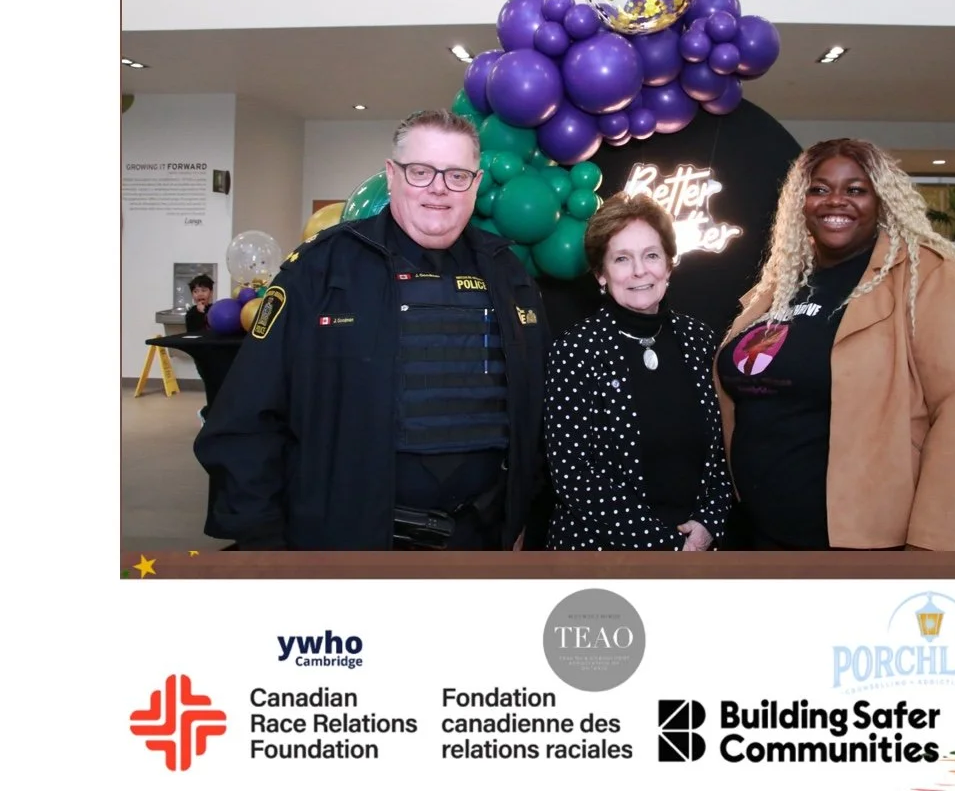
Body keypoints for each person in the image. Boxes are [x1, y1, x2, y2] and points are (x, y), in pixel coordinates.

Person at [194, 109, 551, 551]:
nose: (439, 188)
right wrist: (264, 538)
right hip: (350, 542)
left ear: (475, 184)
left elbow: (534, 413)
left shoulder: (508, 274)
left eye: (457, 175)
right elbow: (246, 416)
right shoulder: (320, 271)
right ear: (392, 174)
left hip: (481, 540)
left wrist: (524, 518)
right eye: (421, 172)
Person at [715, 138, 955, 552]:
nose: (836, 201)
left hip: (870, 541)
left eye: (855, 189)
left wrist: (934, 547)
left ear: (882, 201)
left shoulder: (929, 277)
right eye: (819, 188)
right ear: (800, 202)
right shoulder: (781, 284)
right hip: (761, 531)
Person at [544, 193, 732, 550]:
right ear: (600, 273)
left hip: (698, 545)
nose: (639, 271)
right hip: (603, 552)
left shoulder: (699, 340)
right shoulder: (575, 350)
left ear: (669, 265)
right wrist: (665, 544)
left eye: (651, 255)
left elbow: (724, 450)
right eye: (621, 259)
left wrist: (708, 524)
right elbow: (573, 474)